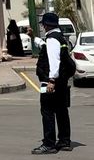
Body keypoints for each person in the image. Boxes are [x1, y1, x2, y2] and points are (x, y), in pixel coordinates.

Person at [32, 12, 73, 154]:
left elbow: (54, 61)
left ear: (47, 24)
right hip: (61, 81)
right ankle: (64, 141)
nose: (42, 26)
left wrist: (51, 80)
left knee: (47, 111)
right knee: (61, 111)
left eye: (43, 24)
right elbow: (50, 50)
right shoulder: (60, 37)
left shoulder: (52, 39)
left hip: (51, 81)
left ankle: (49, 144)